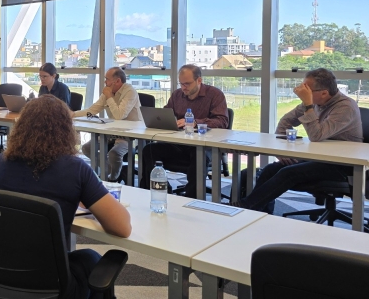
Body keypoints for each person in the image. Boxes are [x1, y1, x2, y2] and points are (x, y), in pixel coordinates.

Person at [0, 95, 131, 299]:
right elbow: (122, 227)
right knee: (91, 259)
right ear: (66, 131)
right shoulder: (75, 169)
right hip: (55, 294)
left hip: (0, 280)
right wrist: (85, 195)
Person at [233, 68, 362, 213]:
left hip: (344, 165)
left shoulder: (345, 107)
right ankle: (261, 214)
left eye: (306, 89)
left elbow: (316, 135)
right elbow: (286, 121)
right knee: (270, 169)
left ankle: (246, 208)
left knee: (289, 173)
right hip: (319, 159)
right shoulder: (315, 102)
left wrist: (308, 105)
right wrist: (282, 151)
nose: (300, 91)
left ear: (324, 93)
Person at [138, 64, 229, 198]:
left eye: (187, 84)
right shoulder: (177, 95)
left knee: (198, 156)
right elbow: (166, 113)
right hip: (179, 144)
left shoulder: (215, 95)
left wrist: (195, 122)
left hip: (203, 147)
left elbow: (222, 121)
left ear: (199, 80)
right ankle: (158, 190)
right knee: (149, 150)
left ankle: (192, 199)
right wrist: (163, 120)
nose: (183, 88)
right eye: (181, 84)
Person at [75, 67, 142, 181]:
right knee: (87, 148)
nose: (105, 82)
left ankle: (113, 179)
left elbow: (119, 115)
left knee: (114, 153)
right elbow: (92, 110)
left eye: (107, 79)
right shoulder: (108, 92)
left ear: (118, 81)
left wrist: (109, 96)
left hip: (131, 134)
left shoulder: (130, 92)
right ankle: (113, 171)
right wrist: (72, 114)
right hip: (112, 131)